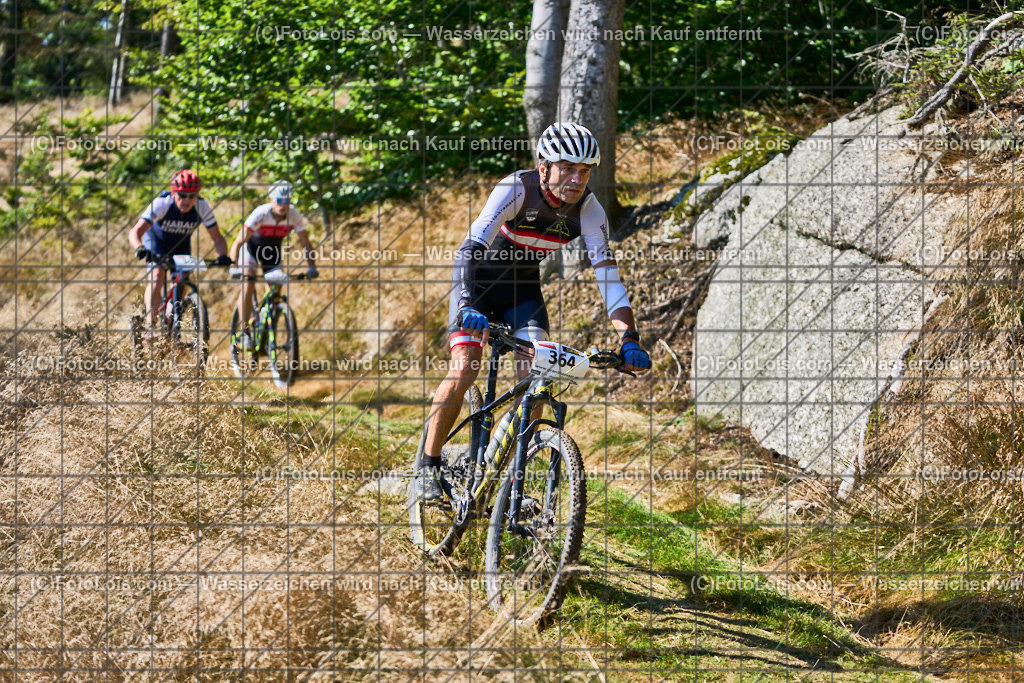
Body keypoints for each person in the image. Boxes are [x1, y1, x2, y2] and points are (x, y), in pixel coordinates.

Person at [416, 122, 652, 502]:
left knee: (538, 385)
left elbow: (609, 278)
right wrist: (464, 304)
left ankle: (505, 481)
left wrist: (629, 338)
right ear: (544, 167)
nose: (577, 179)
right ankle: (428, 467)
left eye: (585, 171)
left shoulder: (589, 210)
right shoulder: (517, 190)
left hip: (521, 295)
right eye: (568, 168)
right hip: (477, 287)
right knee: (465, 367)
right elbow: (470, 249)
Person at [128, 169, 231, 331]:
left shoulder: (202, 207)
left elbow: (217, 237)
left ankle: (170, 317)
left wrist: (223, 256)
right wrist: (139, 248)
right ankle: (150, 326)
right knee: (157, 276)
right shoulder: (161, 204)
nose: (187, 200)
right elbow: (135, 232)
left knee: (183, 279)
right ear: (173, 192)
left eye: (192, 196)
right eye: (182, 195)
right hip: (156, 243)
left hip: (180, 246)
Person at [229, 180, 319, 350]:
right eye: (279, 201)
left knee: (276, 295)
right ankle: (244, 331)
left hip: (273, 253)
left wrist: (312, 267)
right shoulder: (261, 214)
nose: (283, 205)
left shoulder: (293, 215)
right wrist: (233, 266)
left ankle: (268, 327)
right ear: (271, 199)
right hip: (251, 250)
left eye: (287, 201)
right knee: (248, 282)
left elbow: (306, 243)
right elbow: (238, 242)